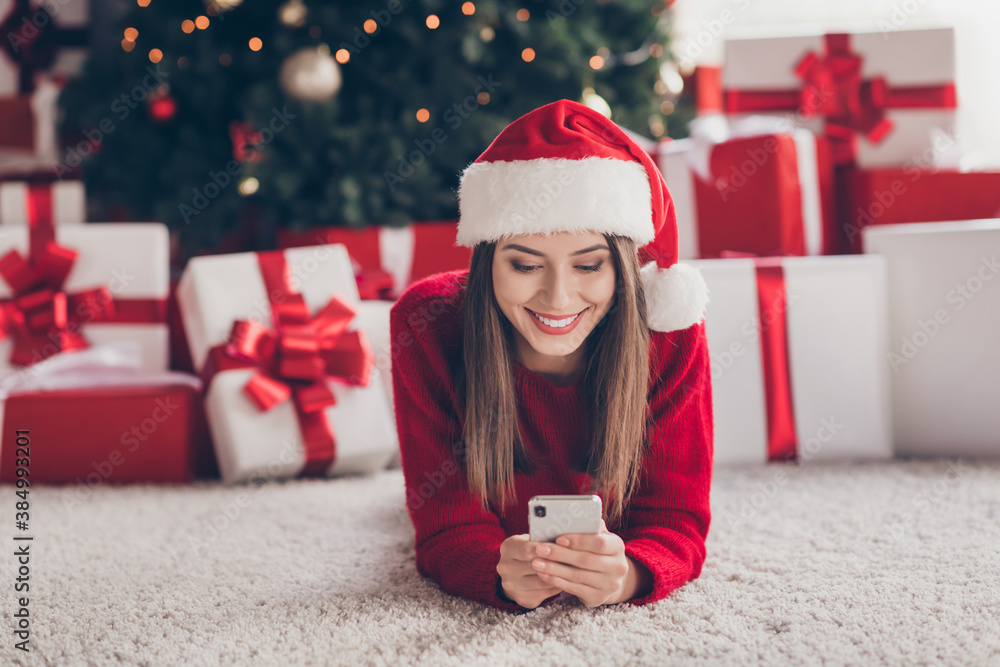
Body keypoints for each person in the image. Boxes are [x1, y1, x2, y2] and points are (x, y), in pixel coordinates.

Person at [390, 99, 713, 613]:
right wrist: (497, 574)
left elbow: (674, 519)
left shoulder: (669, 334)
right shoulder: (426, 325)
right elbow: (447, 527)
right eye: (524, 265)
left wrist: (628, 574)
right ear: (486, 261)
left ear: (625, 268)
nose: (558, 300)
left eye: (588, 266)